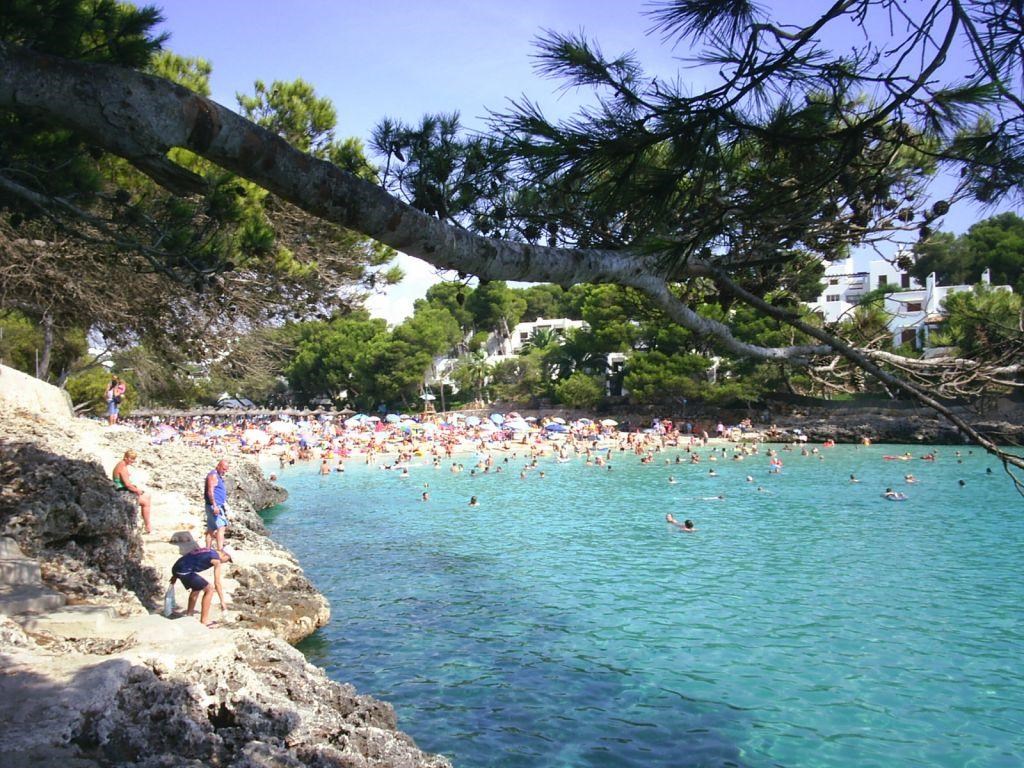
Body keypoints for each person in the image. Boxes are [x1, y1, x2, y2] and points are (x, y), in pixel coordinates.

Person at [169, 545, 234, 627]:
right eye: (228, 560)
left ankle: (189, 614)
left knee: (197, 586)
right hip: (185, 571)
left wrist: (175, 575)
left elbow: (189, 558)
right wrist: (222, 602)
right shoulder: (216, 560)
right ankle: (204, 621)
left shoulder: (209, 550)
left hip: (177, 568)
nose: (226, 562)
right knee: (209, 589)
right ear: (225, 555)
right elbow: (217, 583)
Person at [112, 449, 153, 533]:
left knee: (147, 496)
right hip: (121, 492)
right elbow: (127, 485)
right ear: (126, 457)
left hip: (121, 490)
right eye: (131, 459)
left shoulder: (120, 464)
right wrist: (138, 491)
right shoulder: (122, 467)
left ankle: (146, 525)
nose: (133, 461)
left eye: (134, 459)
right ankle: (148, 526)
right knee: (145, 502)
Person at [204, 460, 230, 550]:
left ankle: (207, 550)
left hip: (214, 505)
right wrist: (214, 505)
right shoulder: (213, 475)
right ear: (218, 466)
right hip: (215, 506)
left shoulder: (217, 475)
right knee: (221, 527)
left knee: (211, 529)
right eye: (223, 469)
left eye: (226, 470)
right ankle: (220, 550)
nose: (225, 471)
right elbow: (210, 491)